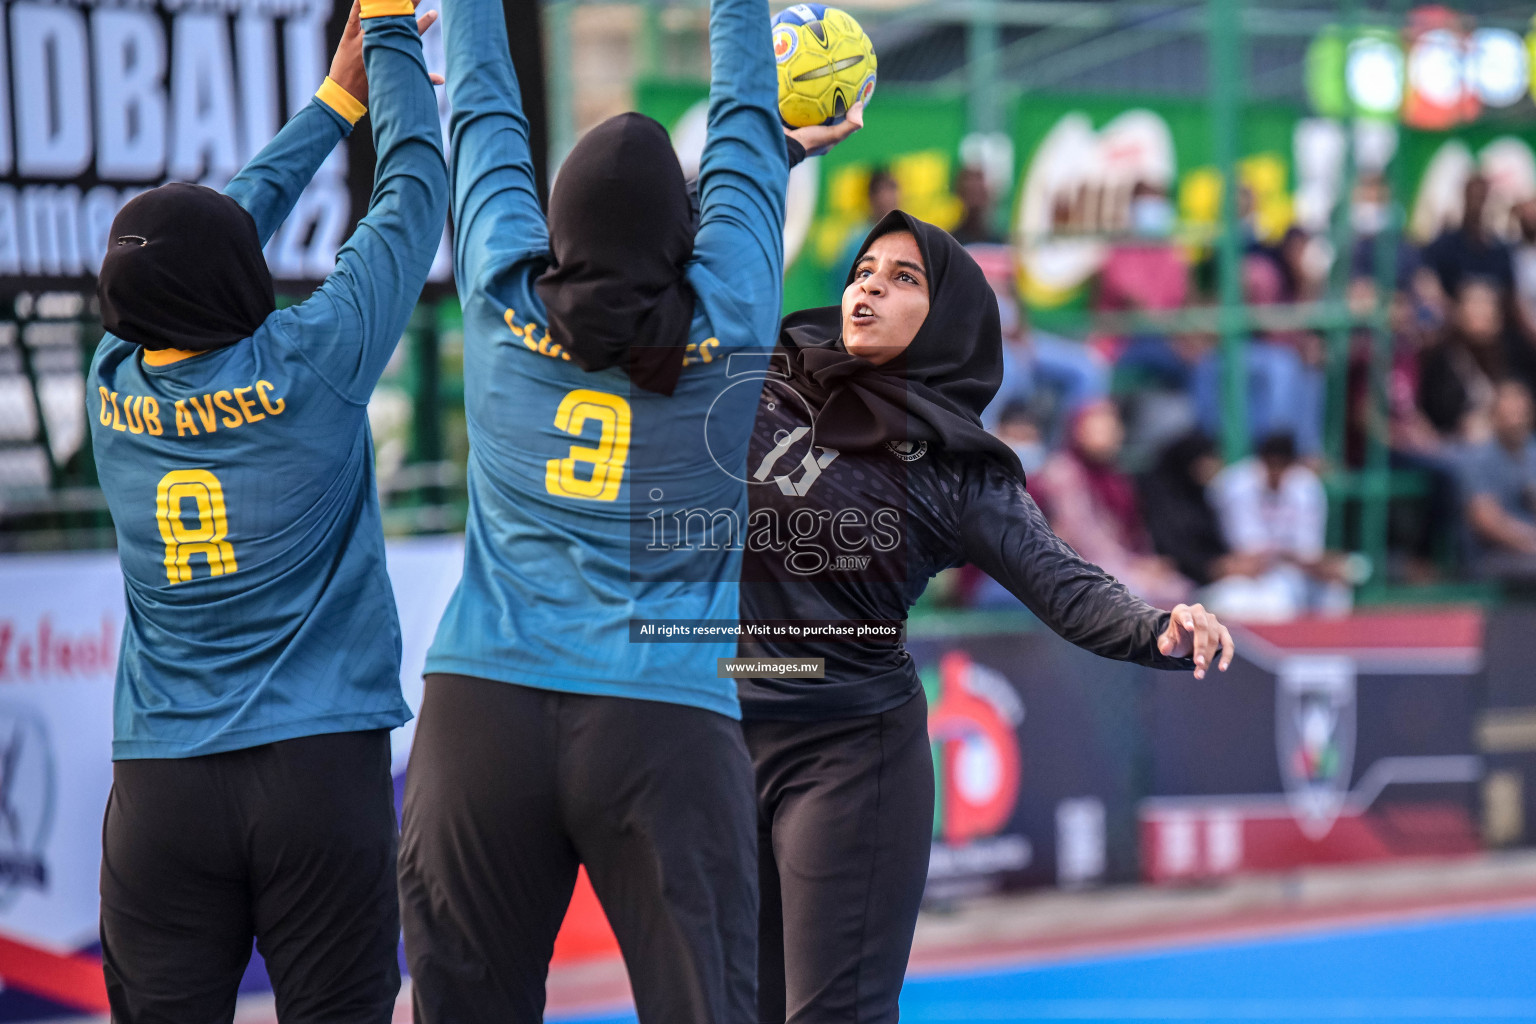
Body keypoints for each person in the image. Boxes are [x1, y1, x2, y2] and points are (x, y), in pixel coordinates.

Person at [396, 0, 853, 1019]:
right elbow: (741, 117)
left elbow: (481, 114)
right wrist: (770, 124)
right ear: (682, 237)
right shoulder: (729, 310)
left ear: (555, 229)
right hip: (661, 719)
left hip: (482, 708)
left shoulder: (501, 295)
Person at [736, 210, 1234, 1023]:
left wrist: (1156, 629)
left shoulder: (960, 473)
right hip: (722, 737)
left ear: (951, 319)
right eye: (866, 270)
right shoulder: (765, 386)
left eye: (905, 278)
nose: (870, 286)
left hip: (850, 754)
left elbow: (1065, 584)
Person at [87, 2, 447, 1018]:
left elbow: (204, 244)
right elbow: (415, 194)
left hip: (159, 787)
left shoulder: (113, 380)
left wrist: (334, 102)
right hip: (316, 772)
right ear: (230, 284)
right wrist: (386, 43)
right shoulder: (311, 364)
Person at [1030, 398, 1194, 607]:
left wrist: (1147, 561)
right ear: (1078, 431)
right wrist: (1134, 567)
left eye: (1111, 427)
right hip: (1074, 564)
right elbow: (1084, 537)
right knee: (1134, 594)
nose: (1107, 434)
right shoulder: (1063, 472)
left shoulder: (1115, 477)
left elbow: (1135, 531)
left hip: (1119, 562)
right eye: (1097, 428)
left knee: (1179, 589)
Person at [1210, 432, 1353, 617]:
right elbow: (1247, 553)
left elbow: (1308, 551)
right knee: (1265, 602)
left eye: (1282, 466)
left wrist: (1325, 565)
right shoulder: (1236, 484)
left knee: (1336, 592)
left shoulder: (1306, 485)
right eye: (1271, 465)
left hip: (1297, 573)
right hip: (1251, 577)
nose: (1276, 472)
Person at [1462, 380, 1536, 582]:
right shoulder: (1479, 459)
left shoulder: (1533, 453)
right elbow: (1486, 521)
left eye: (1521, 414)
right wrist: (1531, 541)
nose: (1516, 421)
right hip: (1495, 556)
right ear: (1494, 418)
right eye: (1508, 415)